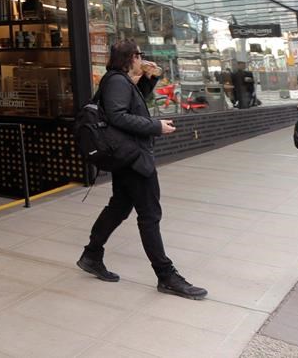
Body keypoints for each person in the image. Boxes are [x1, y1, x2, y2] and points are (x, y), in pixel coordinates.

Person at [76, 40, 208, 300]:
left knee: (118, 208)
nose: (142, 58)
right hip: (133, 158)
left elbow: (134, 104)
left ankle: (91, 254)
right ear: (130, 57)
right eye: (139, 55)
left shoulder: (120, 80)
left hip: (126, 157)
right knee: (149, 216)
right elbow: (118, 116)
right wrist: (156, 127)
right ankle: (166, 275)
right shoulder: (117, 81)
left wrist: (150, 78)